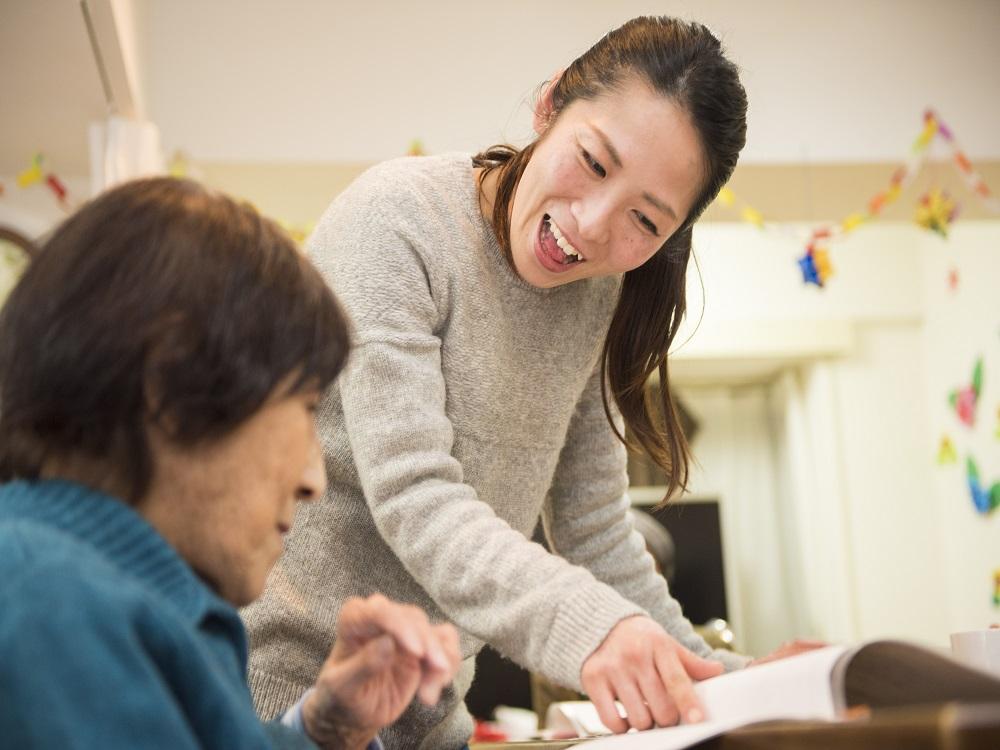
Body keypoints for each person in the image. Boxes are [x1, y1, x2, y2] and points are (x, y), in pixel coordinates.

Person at [244, 16, 816, 749]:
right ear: (548, 106)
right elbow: (415, 497)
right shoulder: (398, 221)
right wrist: (594, 628)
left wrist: (732, 683)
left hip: (426, 721)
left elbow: (597, 537)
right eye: (594, 161)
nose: (591, 225)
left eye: (644, 219)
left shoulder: (599, 298)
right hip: (286, 702)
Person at [0, 177, 461, 749]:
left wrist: (328, 728)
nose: (313, 481)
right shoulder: (55, 608)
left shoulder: (103, 593)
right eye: (306, 407)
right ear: (170, 385)